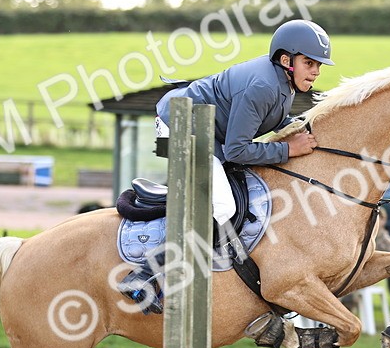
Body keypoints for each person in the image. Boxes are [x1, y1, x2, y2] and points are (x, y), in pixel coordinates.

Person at [118, 19, 335, 313]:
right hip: (179, 125)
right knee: (222, 206)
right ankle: (143, 275)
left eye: (318, 65)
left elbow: (271, 121)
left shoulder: (283, 82)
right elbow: (237, 149)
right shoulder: (263, 85)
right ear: (287, 60)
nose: (316, 71)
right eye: (310, 63)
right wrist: (287, 149)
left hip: (210, 131)